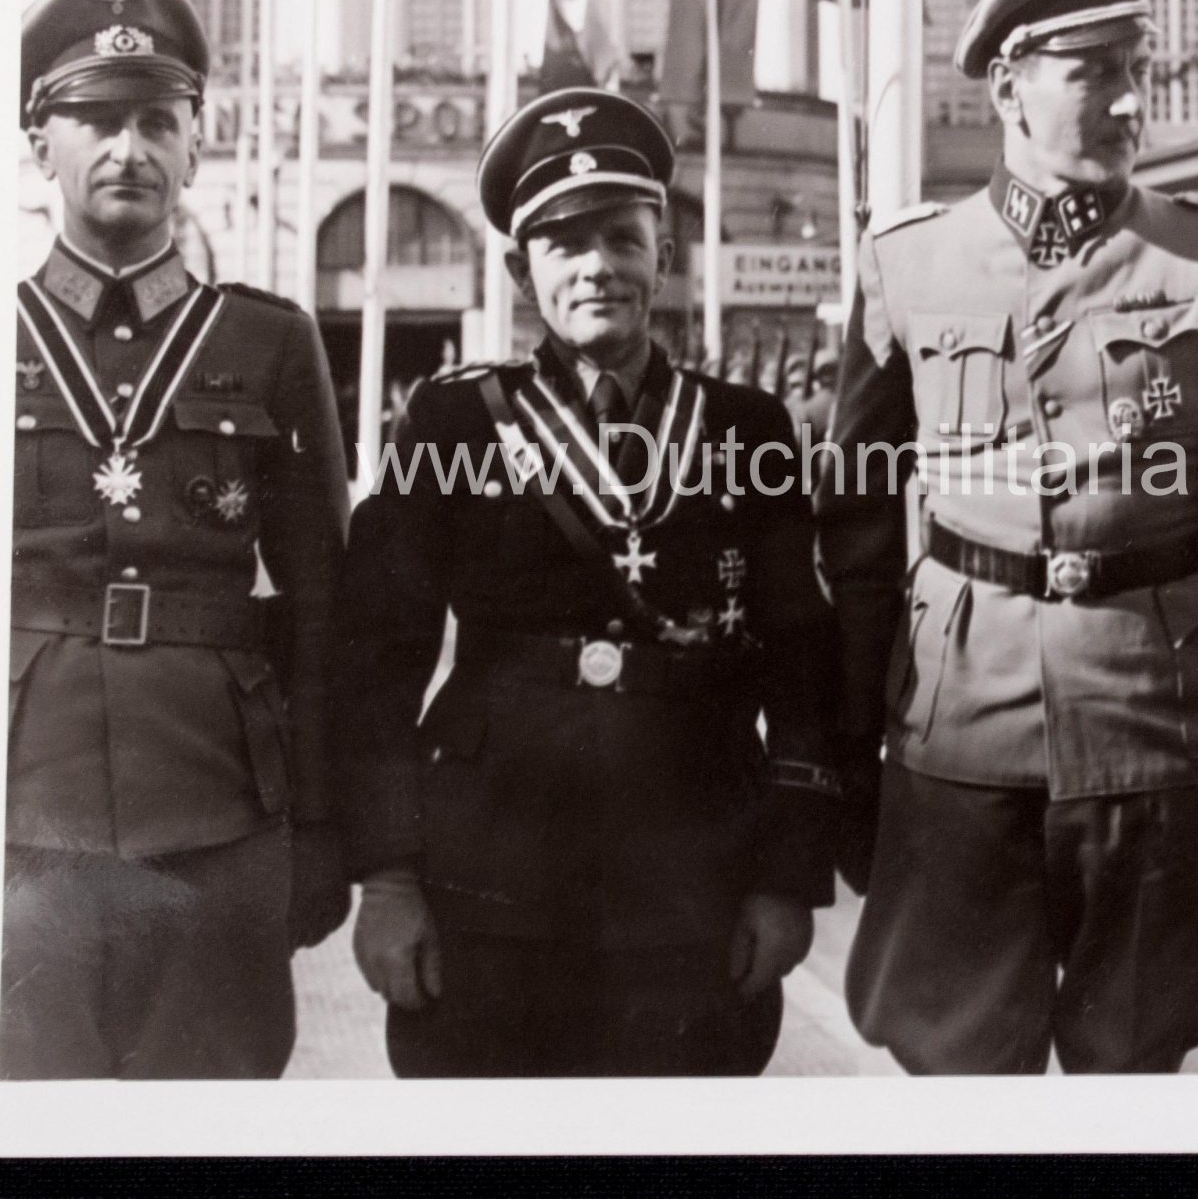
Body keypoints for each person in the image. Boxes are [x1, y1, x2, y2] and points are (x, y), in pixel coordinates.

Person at [819, 0, 1198, 1075]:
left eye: (1138, 70)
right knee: (962, 1068)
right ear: (1008, 84)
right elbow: (852, 536)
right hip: (961, 727)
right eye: (1093, 72)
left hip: (1156, 726)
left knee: (1134, 1064)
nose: (1128, 101)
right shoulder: (905, 263)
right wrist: (848, 744)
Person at [339, 88, 840, 1078]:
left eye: (621, 235)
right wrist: (387, 882)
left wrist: (783, 882)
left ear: (664, 250)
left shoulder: (745, 430)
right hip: (488, 874)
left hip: (690, 871)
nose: (598, 267)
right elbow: (376, 660)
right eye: (565, 245)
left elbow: (804, 663)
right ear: (523, 270)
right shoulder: (454, 425)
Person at [4, 0, 351, 1078]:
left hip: (218, 808)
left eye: (159, 122)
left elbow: (321, 604)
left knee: (209, 1106)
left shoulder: (270, 343)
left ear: (197, 146)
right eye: (96, 120)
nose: (128, 149)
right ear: (39, 143)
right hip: (19, 801)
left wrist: (320, 829)